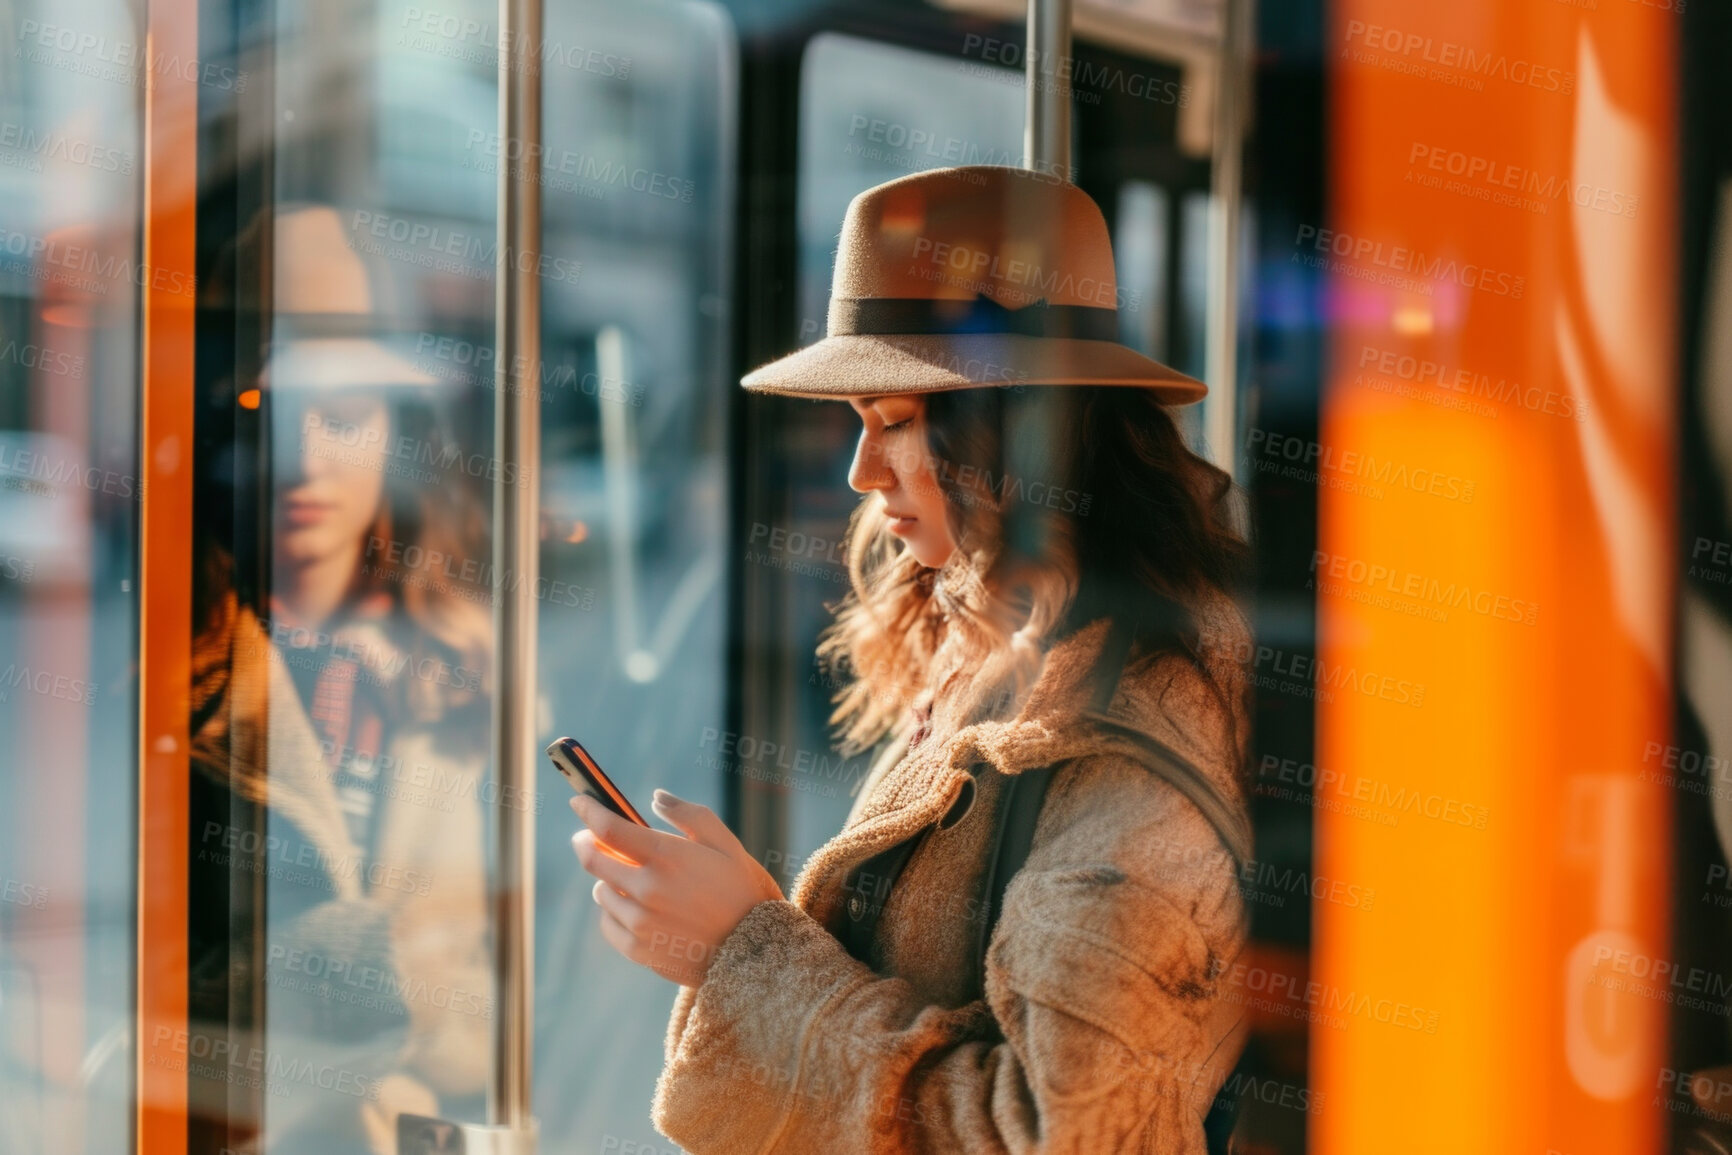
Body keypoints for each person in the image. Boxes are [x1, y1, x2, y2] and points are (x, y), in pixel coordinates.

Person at [569, 165, 1253, 1152]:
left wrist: (741, 951)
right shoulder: (1008, 651)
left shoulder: (1120, 757)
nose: (858, 472)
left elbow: (1063, 1136)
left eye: (893, 423)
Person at [188, 205, 494, 1153]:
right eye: (264, 412)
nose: (305, 461)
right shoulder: (167, 661)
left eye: (347, 416)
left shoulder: (467, 665)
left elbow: (514, 986)